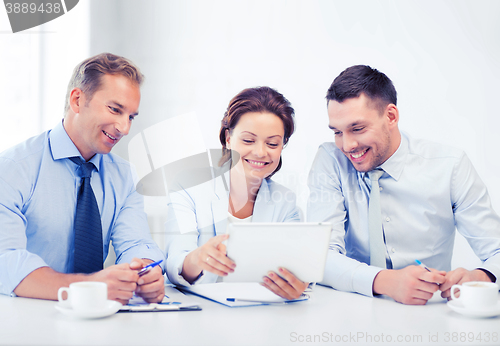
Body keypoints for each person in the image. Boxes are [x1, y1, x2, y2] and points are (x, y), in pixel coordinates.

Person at [307, 65, 500, 305]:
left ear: (391, 116)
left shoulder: (450, 166)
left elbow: (497, 249)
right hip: (351, 314)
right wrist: (386, 281)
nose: (347, 145)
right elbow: (320, 255)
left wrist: (480, 277)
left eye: (357, 129)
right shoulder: (330, 161)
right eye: (337, 132)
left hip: (431, 316)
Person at [0, 53, 165, 304]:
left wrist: (144, 270)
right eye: (115, 109)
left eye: (130, 116)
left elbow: (136, 242)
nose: (124, 128)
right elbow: (5, 261)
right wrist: (87, 286)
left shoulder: (123, 176)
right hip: (27, 320)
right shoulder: (13, 168)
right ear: (77, 100)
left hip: (98, 320)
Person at [165, 86, 308, 300]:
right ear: (228, 138)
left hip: (260, 313)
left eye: (272, 143)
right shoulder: (189, 186)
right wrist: (197, 259)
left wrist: (297, 282)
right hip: (200, 311)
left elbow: (299, 266)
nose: (260, 152)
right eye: (248, 140)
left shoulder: (285, 201)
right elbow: (175, 263)